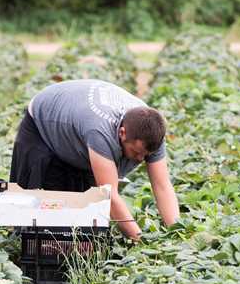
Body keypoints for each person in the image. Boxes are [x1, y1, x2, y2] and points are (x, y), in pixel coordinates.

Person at [10, 79, 180, 241]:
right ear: (122, 133)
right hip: (45, 120)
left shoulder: (152, 135)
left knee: (86, 210)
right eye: (136, 152)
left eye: (145, 154)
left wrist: (175, 233)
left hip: (79, 122)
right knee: (47, 209)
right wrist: (139, 241)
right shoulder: (100, 132)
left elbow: (162, 186)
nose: (140, 159)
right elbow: (110, 196)